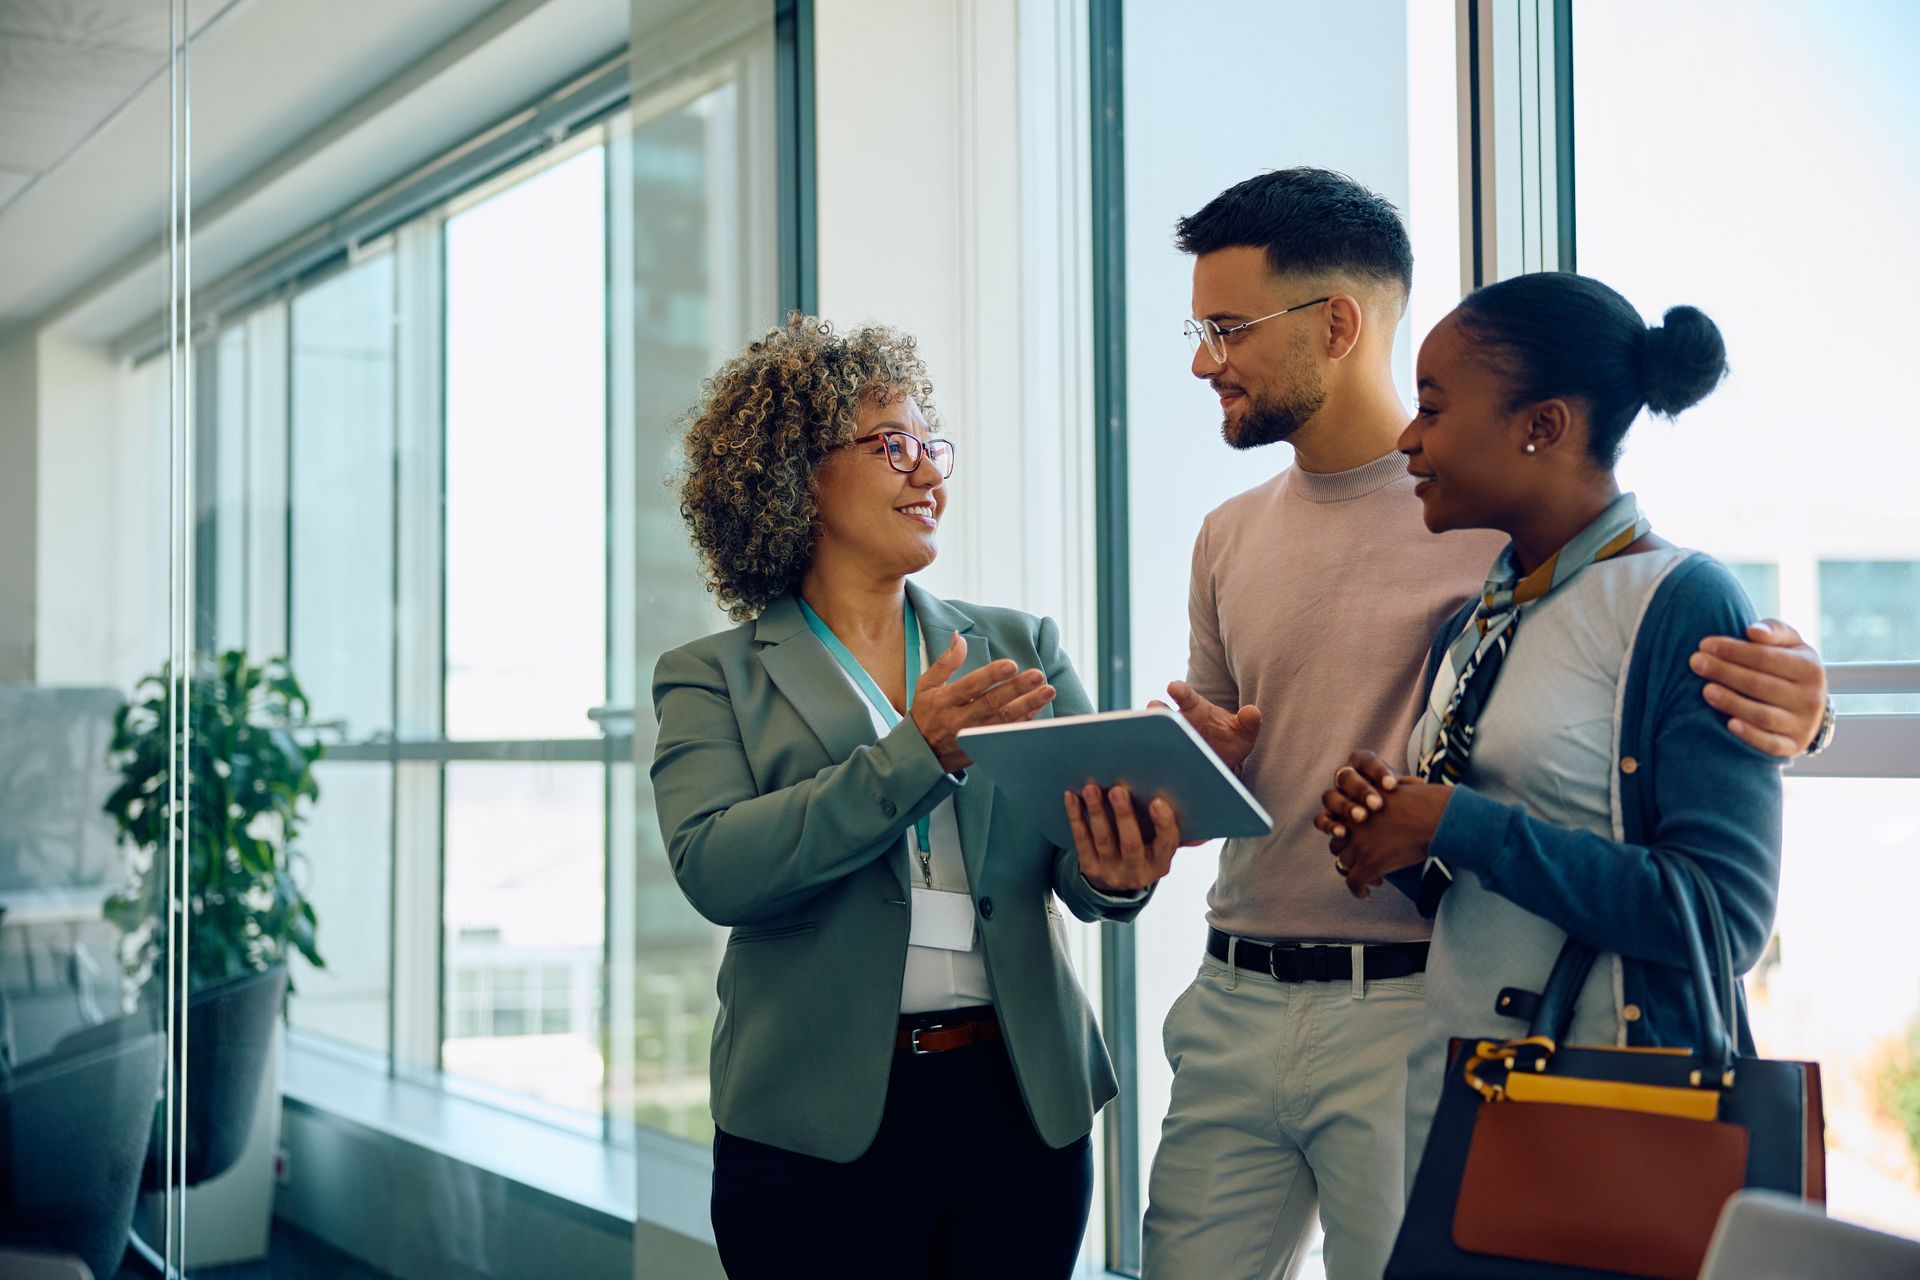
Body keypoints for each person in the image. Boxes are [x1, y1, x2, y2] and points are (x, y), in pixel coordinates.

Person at [1061, 169, 1830, 1280]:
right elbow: (1281, 777)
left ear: (1335, 323)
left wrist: (1813, 713)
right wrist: (1179, 785)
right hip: (1234, 993)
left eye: (1226, 328)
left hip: (1418, 1012)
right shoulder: (1239, 537)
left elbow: (1673, 670)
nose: (1201, 360)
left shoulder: (1502, 527)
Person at [649, 315, 1178, 1278]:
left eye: (932, 445)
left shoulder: (1020, 645)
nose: (929, 473)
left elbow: (1082, 866)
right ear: (793, 473)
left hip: (1021, 1104)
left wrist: (1121, 866)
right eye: (894, 445)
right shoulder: (712, 675)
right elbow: (719, 869)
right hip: (813, 1122)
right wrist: (914, 754)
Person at [1316, 273, 1783, 1187]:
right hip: (1457, 1099)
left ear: (1545, 425)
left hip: (1607, 1109)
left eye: (1434, 408)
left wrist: (1455, 822)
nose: (1407, 440)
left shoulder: (1681, 601)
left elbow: (1723, 918)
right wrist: (1393, 835)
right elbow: (1478, 882)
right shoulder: (1480, 619)